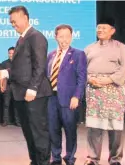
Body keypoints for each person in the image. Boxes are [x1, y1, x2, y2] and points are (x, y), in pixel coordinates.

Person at [0, 6, 52, 165]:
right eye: (11, 23)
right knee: (28, 132)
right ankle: (34, 161)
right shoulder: (22, 38)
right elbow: (21, 66)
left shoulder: (36, 36)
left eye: (15, 21)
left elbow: (40, 66)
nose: (13, 25)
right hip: (21, 93)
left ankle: (43, 162)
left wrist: (33, 88)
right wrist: (6, 73)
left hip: (34, 94)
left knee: (38, 132)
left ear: (25, 18)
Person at [83, 18, 125, 165]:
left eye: (104, 28)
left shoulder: (121, 47)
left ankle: (115, 158)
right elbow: (81, 69)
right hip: (94, 90)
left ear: (112, 31)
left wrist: (109, 80)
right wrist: (90, 79)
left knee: (115, 127)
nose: (100, 30)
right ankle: (93, 158)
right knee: (94, 126)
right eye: (98, 27)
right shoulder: (89, 48)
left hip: (114, 90)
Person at [46, 24, 87, 165]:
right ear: (55, 37)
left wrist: (77, 96)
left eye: (68, 36)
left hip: (69, 99)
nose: (64, 40)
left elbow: (82, 78)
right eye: (61, 36)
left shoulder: (78, 54)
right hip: (51, 98)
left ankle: (70, 158)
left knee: (70, 130)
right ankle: (56, 158)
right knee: (53, 129)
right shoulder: (51, 55)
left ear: (71, 37)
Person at [0, 46, 20, 127]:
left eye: (12, 53)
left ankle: (18, 121)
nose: (11, 55)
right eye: (9, 53)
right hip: (7, 85)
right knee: (6, 104)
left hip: (17, 86)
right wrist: (1, 86)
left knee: (16, 104)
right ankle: (5, 121)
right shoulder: (4, 63)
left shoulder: (19, 63)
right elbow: (2, 76)